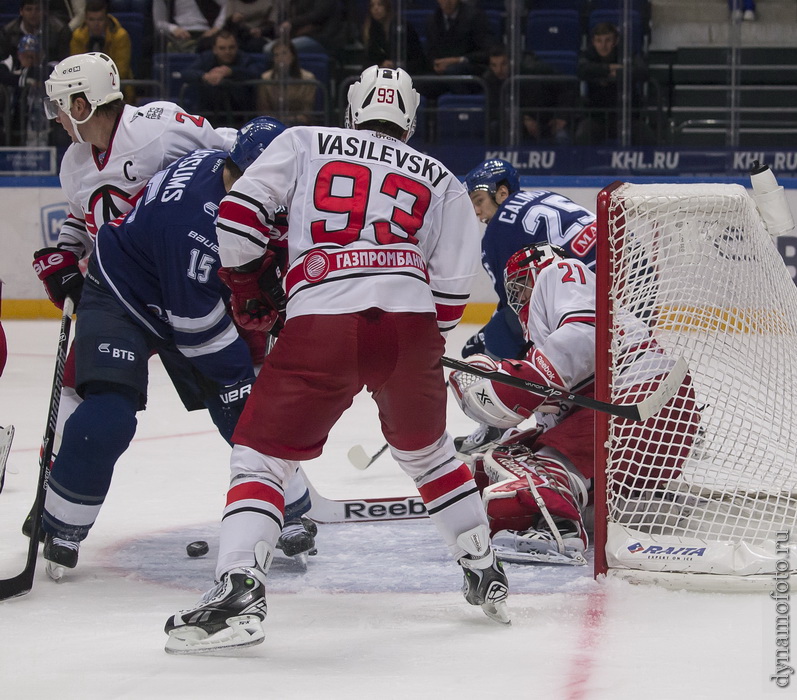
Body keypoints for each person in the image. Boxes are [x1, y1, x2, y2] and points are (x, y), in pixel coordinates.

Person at [164, 65, 510, 655]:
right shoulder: (445, 180)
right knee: (428, 453)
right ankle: (483, 567)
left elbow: (238, 216)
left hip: (322, 317)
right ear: (411, 115)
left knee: (260, 457)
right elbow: (451, 300)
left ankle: (240, 592)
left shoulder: (303, 139)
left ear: (353, 109)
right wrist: (415, 340)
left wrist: (248, 282)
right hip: (409, 325)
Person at [29, 53, 312, 562]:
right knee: (97, 401)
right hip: (131, 287)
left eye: (59, 105)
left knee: (242, 400)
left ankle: (288, 502)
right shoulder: (74, 163)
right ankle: (60, 503)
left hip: (192, 282)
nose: (54, 116)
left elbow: (234, 153)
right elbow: (81, 220)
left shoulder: (159, 127)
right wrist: (64, 256)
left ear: (81, 100)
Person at [448, 243, 700, 564]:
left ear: (538, 268)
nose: (518, 298)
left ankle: (560, 531)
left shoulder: (561, 273)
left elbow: (584, 336)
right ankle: (641, 502)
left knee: (537, 462)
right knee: (514, 453)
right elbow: (555, 416)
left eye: (520, 284)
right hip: (662, 424)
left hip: (640, 396)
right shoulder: (555, 334)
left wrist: (522, 378)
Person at [460, 158, 597, 363]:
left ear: (502, 193)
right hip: (633, 262)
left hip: (597, 288)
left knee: (500, 332)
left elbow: (513, 306)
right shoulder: (544, 195)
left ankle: (513, 390)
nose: (476, 212)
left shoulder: (497, 230)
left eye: (479, 200)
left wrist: (485, 337)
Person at [575, 22, 654, 146]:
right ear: (593, 42)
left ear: (616, 41)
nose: (603, 45)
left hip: (626, 117)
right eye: (599, 41)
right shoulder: (589, 55)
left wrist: (620, 72)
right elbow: (582, 70)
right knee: (583, 135)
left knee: (646, 136)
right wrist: (608, 69)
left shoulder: (626, 54)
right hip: (597, 117)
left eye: (607, 40)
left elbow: (642, 71)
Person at [182, 29, 261, 127]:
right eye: (222, 48)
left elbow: (256, 73)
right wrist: (205, 76)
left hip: (240, 113)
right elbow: (186, 73)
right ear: (215, 49)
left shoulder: (245, 59)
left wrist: (231, 71)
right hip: (209, 112)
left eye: (231, 47)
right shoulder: (206, 58)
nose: (227, 52)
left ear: (237, 47)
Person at [422, 0, 496, 97]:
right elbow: (430, 52)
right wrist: (436, 63)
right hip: (442, 71)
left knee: (452, 72)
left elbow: (487, 51)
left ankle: (464, 107)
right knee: (420, 84)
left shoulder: (474, 16)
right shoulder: (432, 20)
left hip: (471, 67)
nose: (447, 2)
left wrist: (457, 60)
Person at [69, 0, 134, 102]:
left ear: (106, 19)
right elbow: (76, 69)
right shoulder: (78, 36)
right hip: (85, 90)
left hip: (118, 90)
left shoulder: (120, 36)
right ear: (85, 19)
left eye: (100, 19)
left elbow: (121, 72)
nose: (96, 24)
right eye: (91, 19)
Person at [0, 33, 49, 146]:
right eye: (25, 55)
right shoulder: (11, 63)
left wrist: (27, 74)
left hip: (38, 120)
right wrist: (26, 80)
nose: (29, 59)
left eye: (33, 56)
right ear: (18, 54)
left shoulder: (45, 65)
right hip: (12, 117)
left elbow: (50, 71)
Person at [256, 38, 317, 126]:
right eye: (276, 55)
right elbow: (263, 110)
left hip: (300, 125)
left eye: (284, 53)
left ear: (293, 56)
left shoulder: (308, 78)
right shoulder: (266, 78)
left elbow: (307, 113)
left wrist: (290, 120)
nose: (280, 58)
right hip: (272, 125)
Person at [362, 0, 426, 76]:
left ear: (387, 7)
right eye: (372, 6)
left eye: (380, 4)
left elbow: (418, 58)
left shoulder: (403, 28)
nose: (376, 8)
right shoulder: (370, 32)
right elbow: (366, 61)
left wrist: (396, 65)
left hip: (405, 75)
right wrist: (380, 65)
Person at [0, 0, 71, 65]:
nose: (33, 13)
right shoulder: (7, 31)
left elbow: (64, 61)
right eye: (29, 9)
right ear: (21, 11)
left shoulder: (59, 30)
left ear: (45, 11)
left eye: (38, 9)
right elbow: (3, 60)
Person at [152, 0, 225, 53]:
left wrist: (217, 27)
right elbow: (159, 22)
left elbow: (227, 4)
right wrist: (174, 29)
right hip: (178, 34)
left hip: (206, 31)